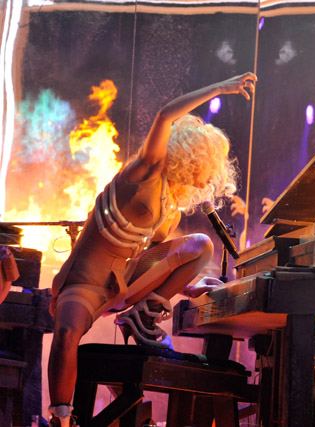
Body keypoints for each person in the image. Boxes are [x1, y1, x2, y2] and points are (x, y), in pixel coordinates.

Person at [47, 72, 257, 427]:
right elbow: (165, 116)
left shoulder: (169, 206)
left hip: (123, 283)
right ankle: (62, 417)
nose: (211, 176)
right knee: (67, 333)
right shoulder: (145, 171)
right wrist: (220, 88)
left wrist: (189, 286)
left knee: (200, 245)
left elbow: (160, 260)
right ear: (191, 157)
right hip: (86, 282)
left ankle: (141, 316)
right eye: (208, 165)